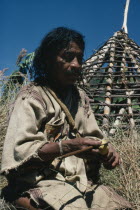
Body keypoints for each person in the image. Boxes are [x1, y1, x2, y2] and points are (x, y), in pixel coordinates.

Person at [1, 27, 131, 209]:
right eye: (68, 57)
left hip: (81, 182)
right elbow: (21, 153)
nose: (77, 64)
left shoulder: (80, 99)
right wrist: (69, 146)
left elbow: (95, 138)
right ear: (48, 60)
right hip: (42, 181)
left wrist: (107, 154)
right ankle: (15, 198)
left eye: (79, 58)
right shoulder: (32, 96)